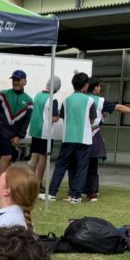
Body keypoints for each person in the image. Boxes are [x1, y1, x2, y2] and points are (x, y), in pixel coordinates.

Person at [83, 77, 130, 202]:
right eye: (99, 86)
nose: (100, 88)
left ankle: (77, 191)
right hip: (93, 135)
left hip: (78, 135)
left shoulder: (79, 98)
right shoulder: (100, 101)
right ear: (95, 88)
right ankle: (92, 192)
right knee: (93, 165)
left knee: (79, 164)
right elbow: (118, 107)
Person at [43, 72, 97, 204]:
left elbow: (63, 117)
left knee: (61, 166)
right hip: (84, 139)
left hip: (68, 138)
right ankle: (76, 196)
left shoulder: (66, 100)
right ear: (85, 85)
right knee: (81, 168)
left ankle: (51, 193)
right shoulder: (90, 100)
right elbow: (91, 120)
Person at [0, 70, 33, 177]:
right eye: (14, 80)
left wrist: (19, 136)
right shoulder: (3, 94)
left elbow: (26, 121)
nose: (15, 82)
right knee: (6, 156)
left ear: (25, 82)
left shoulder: (29, 101)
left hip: (13, 135)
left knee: (11, 157)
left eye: (18, 80)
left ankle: (5, 183)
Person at [27, 76, 61, 194]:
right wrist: (59, 115)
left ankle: (29, 183)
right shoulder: (53, 99)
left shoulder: (37, 95)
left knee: (33, 157)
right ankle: (38, 184)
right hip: (45, 133)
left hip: (35, 130)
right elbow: (54, 118)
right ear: (57, 88)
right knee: (43, 159)